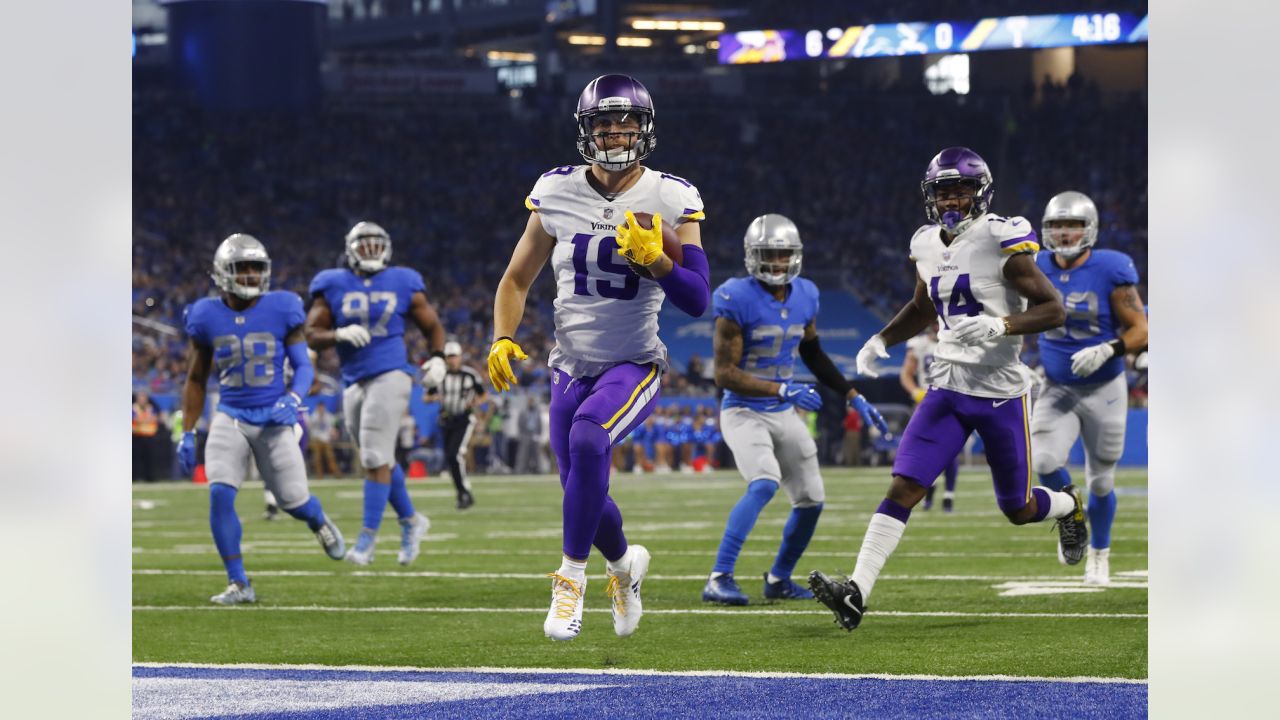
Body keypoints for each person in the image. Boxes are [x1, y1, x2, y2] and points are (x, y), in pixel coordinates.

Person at [808, 147, 1085, 632]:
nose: (952, 199)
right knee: (904, 486)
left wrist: (1001, 325)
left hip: (1000, 392)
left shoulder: (1001, 236)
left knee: (1018, 509)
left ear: (982, 193)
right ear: (930, 196)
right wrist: (882, 338)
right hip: (948, 387)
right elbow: (922, 304)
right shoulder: (925, 243)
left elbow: (1054, 308)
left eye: (961, 189)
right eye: (943, 190)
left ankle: (1067, 505)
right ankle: (857, 592)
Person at [487, 74, 711, 641]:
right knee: (581, 489)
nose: (616, 131)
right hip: (570, 362)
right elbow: (515, 278)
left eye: (627, 120)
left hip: (634, 361)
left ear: (645, 127)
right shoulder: (556, 190)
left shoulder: (670, 196)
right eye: (604, 121)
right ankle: (623, 569)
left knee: (589, 439)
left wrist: (660, 262)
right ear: (585, 130)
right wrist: (502, 335)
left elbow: (698, 298)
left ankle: (569, 582)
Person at [703, 214, 890, 605]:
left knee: (811, 499)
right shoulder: (735, 296)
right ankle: (719, 576)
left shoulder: (806, 293)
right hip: (743, 409)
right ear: (752, 257)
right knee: (765, 482)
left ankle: (778, 579)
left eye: (783, 255)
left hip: (782, 409)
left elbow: (813, 353)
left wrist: (852, 394)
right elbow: (723, 374)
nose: (777, 264)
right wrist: (782, 387)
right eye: (768, 255)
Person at [177, 234, 346, 605]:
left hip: (274, 416)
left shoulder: (283, 307)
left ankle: (317, 520)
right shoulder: (204, 315)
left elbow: (303, 366)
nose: (252, 275)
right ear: (224, 272)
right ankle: (239, 582)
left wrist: (294, 397)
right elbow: (195, 378)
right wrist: (187, 431)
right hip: (231, 415)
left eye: (257, 267)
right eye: (244, 267)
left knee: (293, 501)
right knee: (220, 492)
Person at [305, 221, 443, 566]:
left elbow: (432, 325)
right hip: (353, 380)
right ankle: (411, 521)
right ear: (351, 249)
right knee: (379, 456)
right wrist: (337, 335)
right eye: (363, 245)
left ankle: (367, 540)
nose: (370, 251)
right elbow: (310, 332)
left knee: (371, 458)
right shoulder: (332, 282)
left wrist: (439, 358)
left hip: (392, 373)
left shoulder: (403, 280)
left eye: (375, 244)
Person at [1031, 191, 1149, 586]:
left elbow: (1141, 329)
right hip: (1056, 386)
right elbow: (1011, 316)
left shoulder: (1112, 268)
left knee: (1101, 480)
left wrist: (1108, 349)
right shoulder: (1033, 265)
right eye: (1057, 226)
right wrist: (1017, 365)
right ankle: (1070, 515)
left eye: (1073, 225)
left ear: (1089, 229)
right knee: (1044, 463)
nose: (1064, 234)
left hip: (1105, 386)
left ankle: (1100, 552)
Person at [900, 322, 962, 511]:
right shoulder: (919, 345)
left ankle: (948, 496)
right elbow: (906, 374)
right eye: (934, 323)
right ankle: (930, 490)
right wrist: (915, 392)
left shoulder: (957, 342)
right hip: (927, 403)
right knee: (925, 451)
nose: (937, 326)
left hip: (952, 401)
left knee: (950, 451)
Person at [424, 340, 485, 509]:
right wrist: (434, 398)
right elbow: (426, 397)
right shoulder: (440, 376)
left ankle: (464, 493)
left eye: (454, 356)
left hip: (464, 419)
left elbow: (483, 394)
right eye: (449, 357)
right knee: (451, 458)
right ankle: (463, 493)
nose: (452, 360)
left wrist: (475, 402)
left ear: (460, 357)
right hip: (446, 419)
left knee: (455, 455)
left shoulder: (470, 375)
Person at [308, 403, 341, 478]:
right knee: (317, 458)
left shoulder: (329, 416)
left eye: (322, 407)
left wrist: (334, 432)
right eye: (319, 408)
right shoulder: (313, 416)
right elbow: (310, 428)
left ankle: (336, 473)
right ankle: (319, 475)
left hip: (326, 439)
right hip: (316, 439)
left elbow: (334, 426)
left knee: (330, 457)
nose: (321, 409)